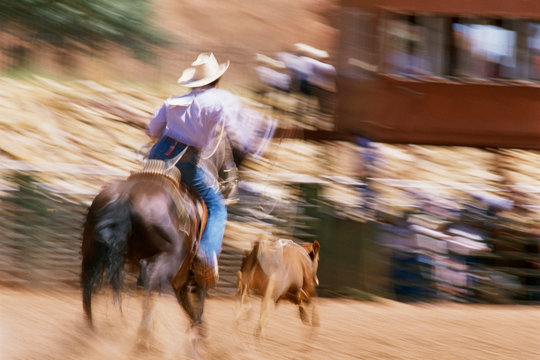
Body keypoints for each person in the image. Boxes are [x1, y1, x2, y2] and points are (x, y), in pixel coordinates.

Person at [146, 53, 275, 287]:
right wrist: (250, 149)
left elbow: (152, 129)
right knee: (216, 207)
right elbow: (234, 132)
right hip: (185, 162)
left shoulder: (173, 101)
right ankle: (205, 256)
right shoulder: (218, 101)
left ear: (194, 82)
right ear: (217, 80)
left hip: (156, 158)